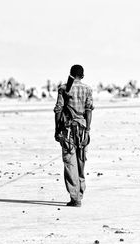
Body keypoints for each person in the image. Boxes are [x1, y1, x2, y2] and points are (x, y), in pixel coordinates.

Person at [53, 65, 94, 207]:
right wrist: (88, 130)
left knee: (70, 164)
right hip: (82, 131)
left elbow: (58, 110)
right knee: (81, 162)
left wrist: (57, 130)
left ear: (70, 74)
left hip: (68, 131)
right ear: (82, 76)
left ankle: (75, 198)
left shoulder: (64, 89)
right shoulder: (87, 89)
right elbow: (89, 111)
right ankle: (80, 193)